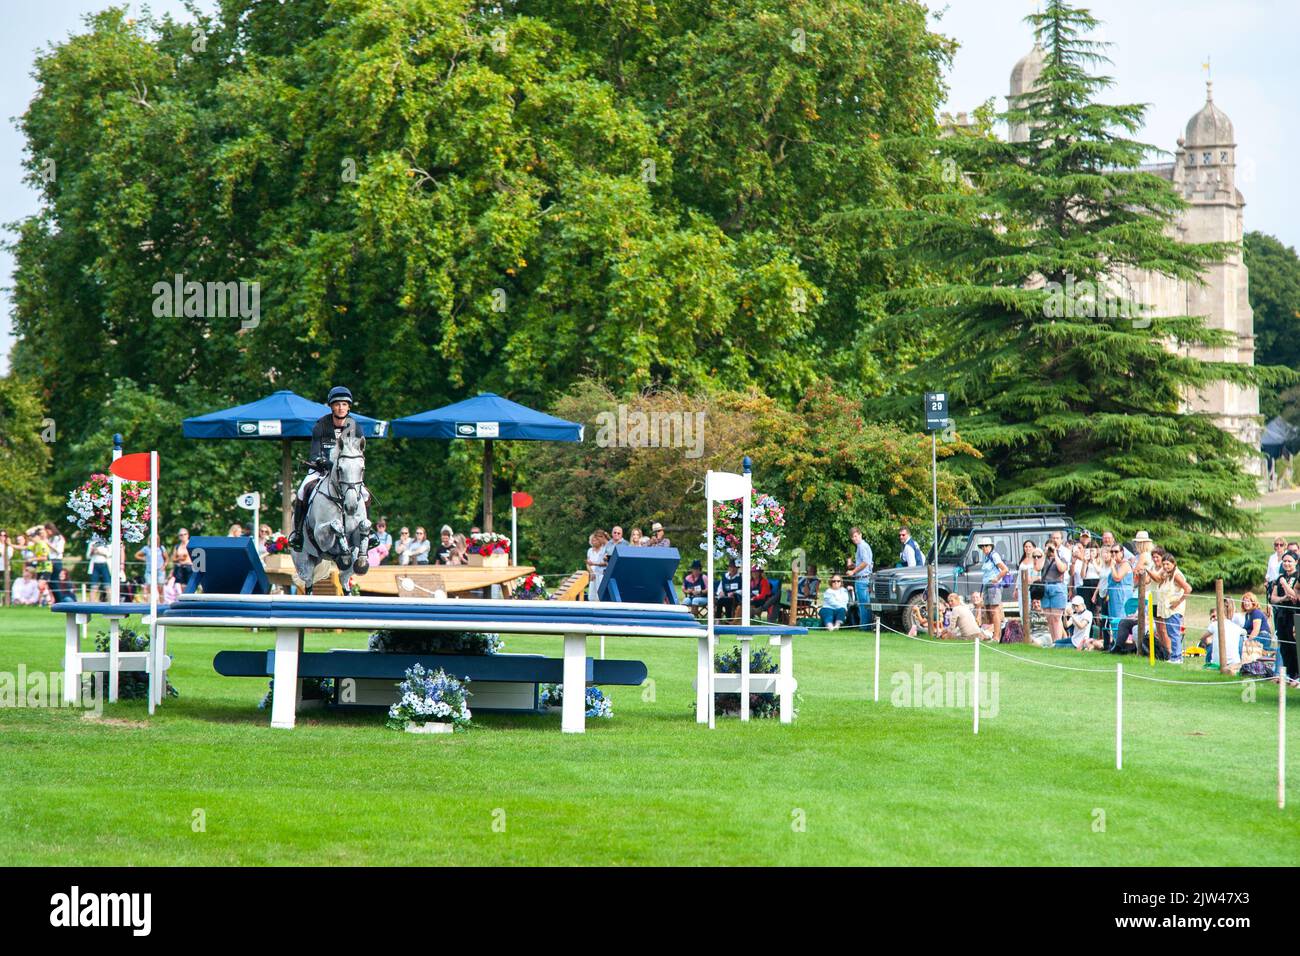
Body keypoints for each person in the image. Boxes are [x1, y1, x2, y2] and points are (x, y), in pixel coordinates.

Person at [289, 385, 367, 550]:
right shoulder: (321, 425)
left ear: (348, 407)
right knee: (303, 490)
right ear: (332, 406)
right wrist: (323, 462)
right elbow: (314, 453)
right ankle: (297, 533)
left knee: (364, 494)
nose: (341, 407)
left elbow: (357, 452)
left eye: (344, 404)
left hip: (346, 474)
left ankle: (367, 531)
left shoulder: (354, 426)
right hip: (321, 470)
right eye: (337, 404)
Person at [1149, 553, 1191, 663]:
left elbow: (1188, 588)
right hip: (1167, 609)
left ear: (1173, 563)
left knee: (1174, 633)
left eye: (1168, 564)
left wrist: (1178, 602)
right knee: (1170, 633)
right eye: (1164, 564)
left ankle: (1177, 657)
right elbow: (1157, 579)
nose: (1166, 566)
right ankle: (1174, 656)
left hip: (1174, 609)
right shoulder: (1167, 574)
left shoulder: (1176, 575)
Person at [1269, 551, 1300, 685]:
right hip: (1281, 614)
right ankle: (1289, 673)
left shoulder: (1297, 576)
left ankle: (1297, 674)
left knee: (1294, 645)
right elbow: (1273, 598)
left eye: (1289, 561)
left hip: (1294, 614)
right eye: (1285, 561)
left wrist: (1285, 585)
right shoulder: (1280, 577)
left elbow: (1294, 597)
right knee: (1284, 645)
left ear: (1296, 562)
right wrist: (1282, 598)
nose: (1287, 564)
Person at [1096, 543, 1133, 647]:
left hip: (1122, 596)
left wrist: (1112, 566)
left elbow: (1117, 577)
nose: (1113, 554)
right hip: (1113, 597)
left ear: (1122, 553)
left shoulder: (1125, 564)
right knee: (1113, 620)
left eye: (1116, 551)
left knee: (1121, 619)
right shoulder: (1115, 565)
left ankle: (1122, 644)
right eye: (1111, 551)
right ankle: (1116, 643)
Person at [976, 536, 1009, 640]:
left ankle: (996, 636)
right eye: (982, 546)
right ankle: (992, 633)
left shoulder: (994, 555)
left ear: (991, 546)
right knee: (989, 610)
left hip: (994, 586)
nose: (984, 548)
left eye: (986, 546)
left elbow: (1005, 569)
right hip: (986, 585)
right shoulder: (986, 557)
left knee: (995, 610)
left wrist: (997, 578)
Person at [1201, 600, 1246, 675]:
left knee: (1209, 642)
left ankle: (1209, 661)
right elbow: (1245, 633)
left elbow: (1202, 637)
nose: (1213, 619)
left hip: (1217, 662)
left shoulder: (1214, 625)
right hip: (1235, 662)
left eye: (1215, 616)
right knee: (1241, 637)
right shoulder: (1237, 628)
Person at [1040, 540, 1069, 645]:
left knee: (1056, 617)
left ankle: (1057, 642)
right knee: (1049, 618)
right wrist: (1044, 553)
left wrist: (1055, 554)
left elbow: (1062, 569)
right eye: (1048, 547)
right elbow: (1038, 567)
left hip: (1058, 588)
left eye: (1052, 547)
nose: (1050, 550)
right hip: (1045, 587)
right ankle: (1053, 642)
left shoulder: (1062, 558)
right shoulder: (1043, 559)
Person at [848, 527, 874, 626]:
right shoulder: (863, 546)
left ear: (860, 535)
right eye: (852, 537)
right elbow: (865, 562)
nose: (854, 539)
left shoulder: (861, 546)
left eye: (856, 536)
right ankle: (866, 626)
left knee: (863, 605)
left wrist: (853, 571)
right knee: (865, 604)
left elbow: (865, 563)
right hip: (866, 577)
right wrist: (854, 565)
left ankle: (864, 627)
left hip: (862, 579)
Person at [134, 540, 168, 604]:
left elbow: (167, 559)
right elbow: (137, 555)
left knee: (160, 588)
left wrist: (164, 566)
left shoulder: (161, 548)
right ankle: (150, 604)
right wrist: (145, 559)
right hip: (149, 571)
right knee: (149, 586)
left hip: (160, 571)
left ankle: (162, 604)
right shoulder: (146, 548)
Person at [586, 530, 609, 600]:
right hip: (593, 576)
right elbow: (588, 563)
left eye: (595, 540)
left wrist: (594, 563)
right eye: (592, 540)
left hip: (601, 575)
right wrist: (591, 572)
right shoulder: (589, 550)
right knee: (591, 596)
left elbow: (606, 563)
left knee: (600, 595)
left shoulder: (604, 549)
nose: (594, 542)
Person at [87, 537, 112, 602]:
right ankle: (91, 604)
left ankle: (111, 603)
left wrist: (100, 552)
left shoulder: (107, 542)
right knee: (93, 586)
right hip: (95, 565)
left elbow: (110, 554)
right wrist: (92, 551)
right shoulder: (92, 542)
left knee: (108, 586)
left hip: (105, 565)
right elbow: (88, 556)